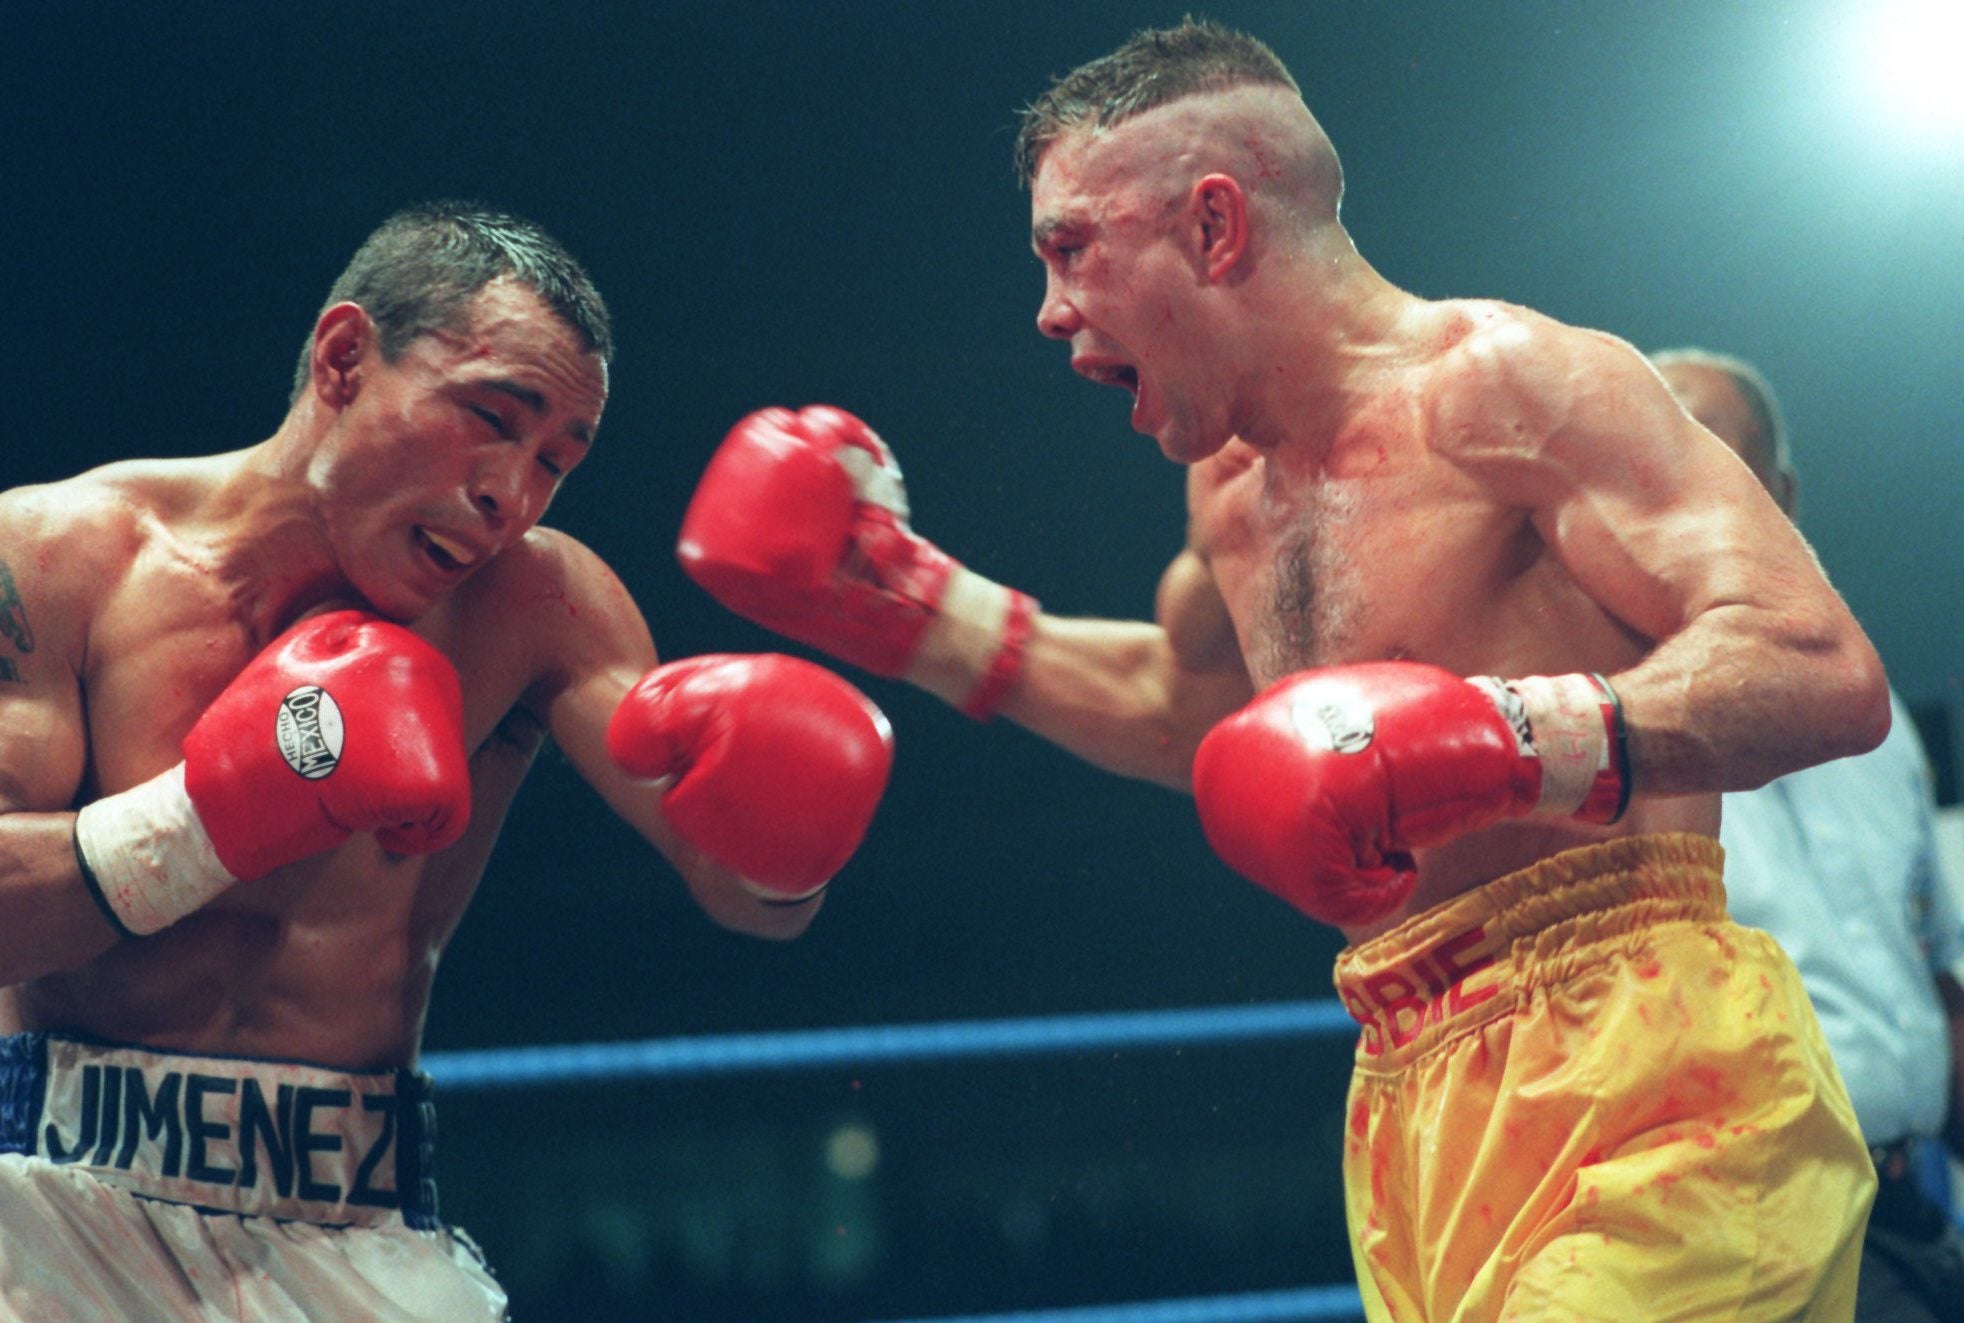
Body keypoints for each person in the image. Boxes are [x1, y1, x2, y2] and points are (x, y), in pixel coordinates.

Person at [674, 19, 1896, 1322]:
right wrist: (911, 608)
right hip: (1410, 1087)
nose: (1048, 309)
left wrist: (1503, 734)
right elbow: (1189, 710)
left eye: (1070, 248)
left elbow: (1817, 662)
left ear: (1214, 226)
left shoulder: (1512, 386)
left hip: (1654, 1073)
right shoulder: (1228, 493)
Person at [0, 202, 896, 1322]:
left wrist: (790, 815)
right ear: (342, 359)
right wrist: (205, 820)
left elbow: (750, 894)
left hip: (353, 1234)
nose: (507, 494)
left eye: (553, 461)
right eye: (489, 418)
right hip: (46, 1212)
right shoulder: (57, 557)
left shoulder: (538, 602)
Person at [1653, 346, 1964, 1323]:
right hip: (1751, 1237)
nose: (1680, 491)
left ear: (1779, 493)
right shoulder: (1595, 724)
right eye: (1653, 461)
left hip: (1917, 1212)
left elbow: (1930, 970)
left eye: (1715, 459)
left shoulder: (1868, 718)